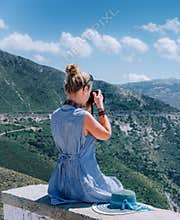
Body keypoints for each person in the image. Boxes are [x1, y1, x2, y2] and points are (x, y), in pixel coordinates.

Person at [47, 64, 124, 205]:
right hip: (83, 183)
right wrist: (100, 108)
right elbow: (106, 134)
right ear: (85, 89)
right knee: (116, 187)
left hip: (61, 183)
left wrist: (86, 108)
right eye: (88, 92)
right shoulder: (84, 117)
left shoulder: (55, 115)